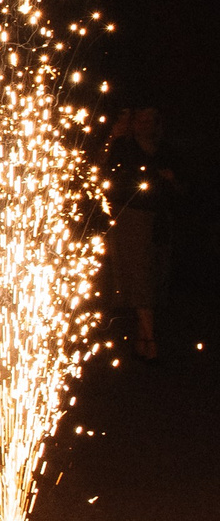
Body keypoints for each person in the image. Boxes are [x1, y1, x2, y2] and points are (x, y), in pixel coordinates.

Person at [103, 106, 177, 361]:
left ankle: (142, 335)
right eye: (141, 120)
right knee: (138, 275)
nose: (146, 125)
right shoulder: (124, 148)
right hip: (132, 218)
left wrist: (169, 180)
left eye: (151, 120)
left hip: (159, 218)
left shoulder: (164, 149)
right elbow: (107, 172)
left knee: (155, 274)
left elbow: (179, 183)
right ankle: (147, 337)